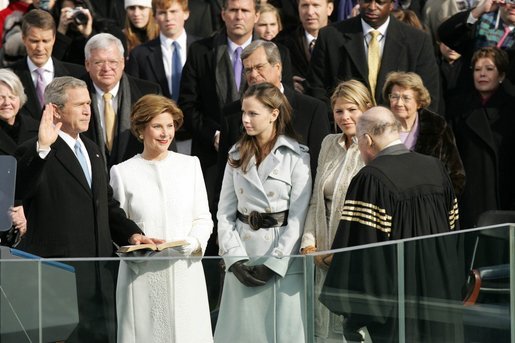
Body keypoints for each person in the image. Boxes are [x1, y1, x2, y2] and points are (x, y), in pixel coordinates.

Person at [15, 76, 160, 342]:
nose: (87, 110)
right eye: (79, 104)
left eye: (88, 104)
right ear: (55, 110)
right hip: (58, 277)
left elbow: (105, 203)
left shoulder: (92, 149)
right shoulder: (34, 150)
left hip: (100, 274)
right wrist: (43, 148)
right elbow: (19, 192)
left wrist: (131, 234)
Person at [321, 106, 462, 343]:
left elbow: (364, 254)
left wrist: (355, 316)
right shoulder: (436, 168)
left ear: (366, 139)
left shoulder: (371, 178)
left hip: (399, 308)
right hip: (442, 300)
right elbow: (455, 234)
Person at [110, 94, 213, 343]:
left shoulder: (190, 166)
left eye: (170, 126)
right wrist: (137, 247)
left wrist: (192, 242)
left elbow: (203, 217)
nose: (165, 133)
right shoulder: (122, 172)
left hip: (185, 272)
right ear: (141, 129)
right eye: (157, 126)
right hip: (142, 278)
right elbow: (118, 227)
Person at [214, 82, 312, 342]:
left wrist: (275, 263)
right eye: (243, 113)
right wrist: (234, 259)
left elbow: (299, 217)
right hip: (243, 259)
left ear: (274, 114)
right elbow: (224, 213)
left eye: (253, 113)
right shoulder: (236, 154)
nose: (245, 119)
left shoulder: (298, 157)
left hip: (281, 262)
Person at [300, 79, 370, 341]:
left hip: (353, 252)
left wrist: (339, 252)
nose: (345, 117)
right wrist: (309, 243)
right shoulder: (329, 142)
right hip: (321, 250)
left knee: (352, 328)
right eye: (339, 111)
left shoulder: (372, 147)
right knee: (322, 328)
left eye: (352, 109)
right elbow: (316, 198)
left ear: (367, 108)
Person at [307, 0, 440, 110]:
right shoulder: (330, 36)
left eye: (380, 2)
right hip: (345, 132)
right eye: (366, 1)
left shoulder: (417, 41)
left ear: (392, 3)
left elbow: (428, 95)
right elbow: (317, 89)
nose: (372, 7)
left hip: (399, 133)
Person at [448, 46, 515, 229]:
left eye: (489, 69)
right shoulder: (459, 108)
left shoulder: (510, 109)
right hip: (471, 194)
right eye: (477, 70)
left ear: (501, 75)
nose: (482, 74)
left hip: (504, 192)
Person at [82, 33, 162, 168]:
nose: (106, 68)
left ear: (123, 63)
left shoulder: (149, 93)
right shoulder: (73, 95)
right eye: (99, 62)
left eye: (113, 62)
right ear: (87, 64)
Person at [382, 71, 465, 195]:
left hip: (427, 204)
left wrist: (437, 203)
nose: (399, 103)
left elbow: (456, 175)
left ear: (419, 103)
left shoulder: (437, 127)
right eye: (394, 96)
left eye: (406, 98)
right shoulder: (380, 128)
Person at [10, 9, 85, 121]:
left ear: (54, 39)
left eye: (45, 41)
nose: (40, 48)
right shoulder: (9, 77)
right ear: (24, 39)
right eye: (34, 41)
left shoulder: (78, 75)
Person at [126, 0, 198, 102]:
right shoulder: (139, 55)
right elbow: (133, 95)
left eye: (173, 11)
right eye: (162, 13)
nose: (168, 18)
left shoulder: (202, 49)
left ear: (186, 14)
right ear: (154, 17)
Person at [0, 69, 33, 242]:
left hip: (35, 218)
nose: (7, 103)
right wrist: (14, 207)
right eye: (0, 97)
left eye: (12, 96)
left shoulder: (37, 130)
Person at [275, 0, 334, 93]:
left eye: (316, 5)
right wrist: (288, 84)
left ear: (329, 8)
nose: (310, 12)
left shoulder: (343, 41)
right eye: (305, 6)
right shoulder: (283, 42)